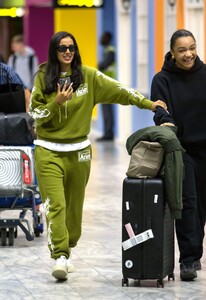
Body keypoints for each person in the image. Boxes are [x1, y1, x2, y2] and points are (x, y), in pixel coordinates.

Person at [29, 31, 166, 281]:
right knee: (56, 205)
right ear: (54, 51)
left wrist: (148, 104)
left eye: (71, 47)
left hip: (79, 152)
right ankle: (59, 256)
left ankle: (67, 249)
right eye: (62, 48)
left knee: (74, 212)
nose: (68, 52)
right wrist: (56, 103)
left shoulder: (88, 76)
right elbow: (34, 114)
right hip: (48, 151)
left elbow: (119, 91)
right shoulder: (43, 75)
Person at [151, 29, 206, 281]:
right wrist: (166, 122)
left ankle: (195, 252)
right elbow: (160, 111)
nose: (188, 54)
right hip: (180, 149)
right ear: (172, 52)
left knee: (202, 206)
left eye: (192, 48)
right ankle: (188, 259)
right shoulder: (162, 79)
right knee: (187, 202)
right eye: (182, 50)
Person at [96, 31, 116, 141]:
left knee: (107, 110)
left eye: (103, 37)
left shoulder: (111, 51)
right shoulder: (107, 50)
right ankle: (107, 132)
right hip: (105, 84)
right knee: (105, 110)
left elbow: (103, 65)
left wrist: (100, 64)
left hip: (108, 84)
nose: (101, 39)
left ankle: (108, 133)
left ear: (107, 38)